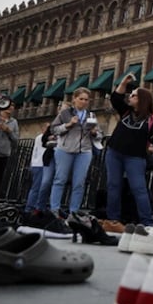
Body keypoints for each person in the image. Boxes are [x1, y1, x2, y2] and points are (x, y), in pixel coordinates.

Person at [105, 74, 153, 226]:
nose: (130, 97)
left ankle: (147, 221)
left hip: (136, 157)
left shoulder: (152, 119)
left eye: (134, 95)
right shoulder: (125, 110)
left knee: (139, 188)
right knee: (113, 186)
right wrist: (123, 82)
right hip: (114, 152)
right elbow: (116, 98)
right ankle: (113, 219)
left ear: (141, 100)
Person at [49, 87, 100, 221]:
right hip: (65, 149)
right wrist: (68, 124)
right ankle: (54, 210)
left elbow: (99, 135)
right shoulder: (65, 113)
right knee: (60, 179)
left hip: (84, 151)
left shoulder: (91, 115)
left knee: (79, 182)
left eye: (86, 100)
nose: (83, 102)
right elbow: (53, 130)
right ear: (74, 99)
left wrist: (95, 133)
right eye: (81, 99)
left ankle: (74, 213)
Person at [24, 121, 57, 217]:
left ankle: (36, 207)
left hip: (40, 164)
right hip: (40, 164)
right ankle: (30, 208)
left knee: (41, 187)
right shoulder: (40, 138)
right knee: (37, 187)